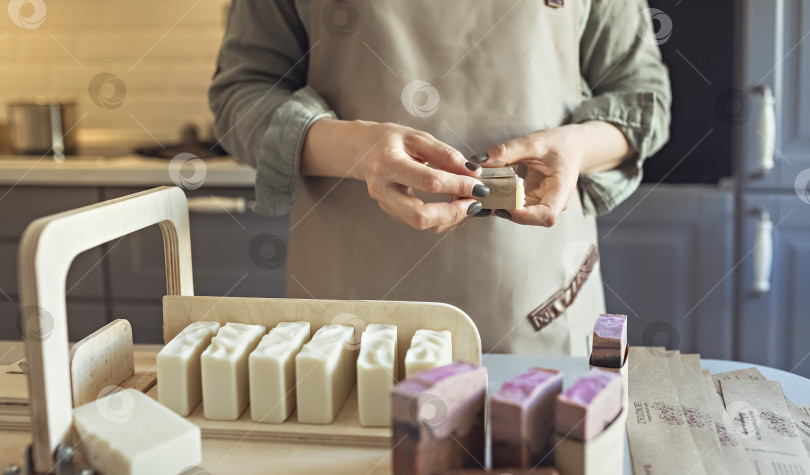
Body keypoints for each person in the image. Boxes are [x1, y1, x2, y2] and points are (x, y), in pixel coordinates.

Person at [209, 0, 671, 355]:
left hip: (541, 298)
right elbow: (242, 95)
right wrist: (357, 151)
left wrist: (576, 148)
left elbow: (643, 98)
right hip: (351, 308)